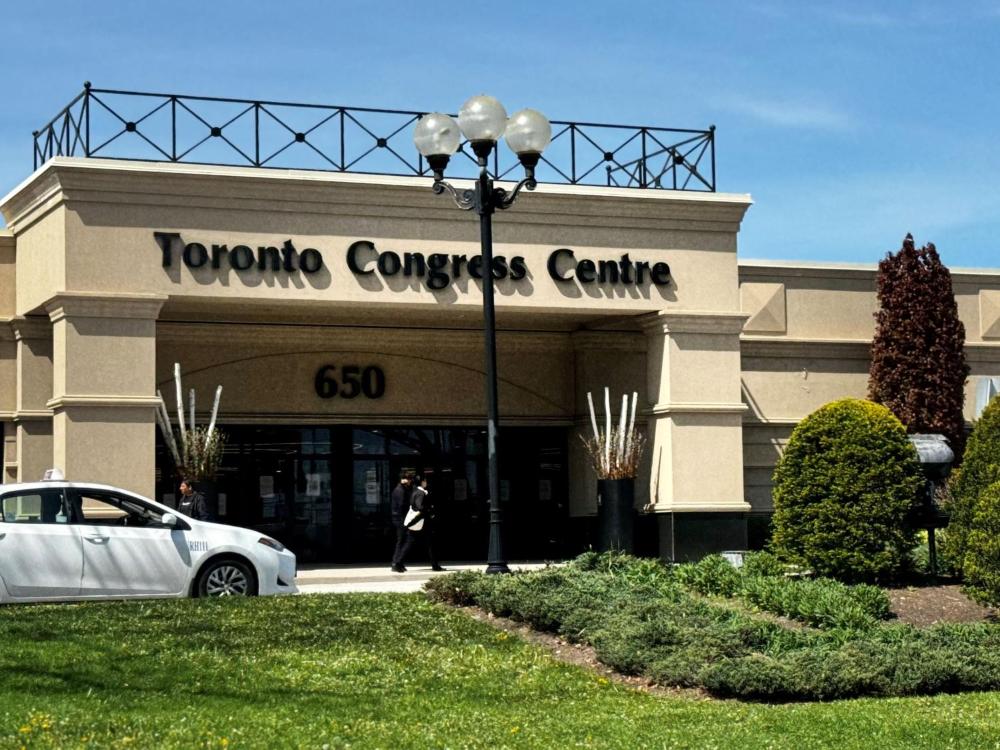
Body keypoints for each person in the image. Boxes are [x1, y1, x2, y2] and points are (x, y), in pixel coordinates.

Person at [409, 477, 443, 571]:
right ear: (421, 482)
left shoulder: (415, 492)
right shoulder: (420, 493)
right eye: (425, 481)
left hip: (420, 522)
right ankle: (435, 565)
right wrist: (430, 511)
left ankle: (399, 561)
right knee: (430, 544)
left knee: (411, 542)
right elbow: (420, 506)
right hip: (424, 522)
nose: (426, 482)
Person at [390, 474, 413, 573]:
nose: (409, 481)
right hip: (401, 519)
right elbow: (402, 505)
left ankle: (399, 562)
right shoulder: (400, 490)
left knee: (402, 541)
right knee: (404, 540)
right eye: (408, 479)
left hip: (400, 518)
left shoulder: (402, 489)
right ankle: (396, 562)